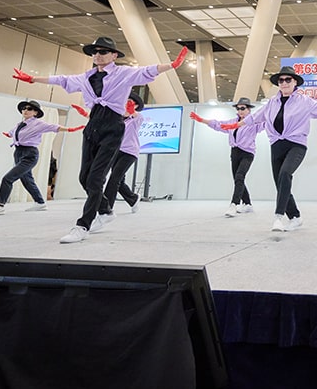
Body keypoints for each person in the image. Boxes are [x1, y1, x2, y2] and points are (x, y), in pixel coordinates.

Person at [12, 36, 187, 243]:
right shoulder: (86, 77)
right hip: (92, 126)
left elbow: (147, 71)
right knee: (84, 178)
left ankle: (82, 225)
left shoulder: (123, 73)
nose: (98, 55)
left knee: (96, 179)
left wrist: (171, 65)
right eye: (94, 52)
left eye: (103, 52)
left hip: (112, 128)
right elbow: (62, 80)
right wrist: (33, 79)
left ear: (114, 55)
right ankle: (105, 210)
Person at [223, 66, 317, 232]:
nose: (284, 83)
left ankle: (278, 217)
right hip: (276, 145)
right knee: (280, 183)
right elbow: (255, 117)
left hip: (296, 144)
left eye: (288, 79)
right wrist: (236, 125)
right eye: (281, 80)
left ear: (295, 82)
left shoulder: (304, 101)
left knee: (285, 174)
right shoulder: (272, 102)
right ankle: (295, 217)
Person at [0, 100, 84, 216]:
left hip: (29, 154)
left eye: (29, 109)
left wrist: (71, 129)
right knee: (27, 180)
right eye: (24, 108)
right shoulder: (20, 124)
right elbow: (13, 132)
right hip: (18, 152)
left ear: (35, 113)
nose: (25, 110)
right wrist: (8, 134)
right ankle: (40, 203)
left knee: (8, 178)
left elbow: (53, 127)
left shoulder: (38, 124)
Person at [190, 97, 265, 217]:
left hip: (247, 153)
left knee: (240, 176)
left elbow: (267, 123)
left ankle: (234, 204)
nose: (240, 111)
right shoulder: (233, 122)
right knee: (237, 179)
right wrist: (201, 120)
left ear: (249, 109)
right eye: (238, 108)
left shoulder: (254, 123)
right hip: (235, 152)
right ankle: (247, 204)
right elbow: (218, 124)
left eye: (243, 108)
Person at [97, 93, 145, 219]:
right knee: (119, 180)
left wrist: (132, 111)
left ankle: (106, 209)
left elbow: (138, 117)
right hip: (116, 151)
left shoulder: (136, 119)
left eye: (130, 102)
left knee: (114, 178)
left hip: (130, 152)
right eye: (126, 101)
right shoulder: (117, 118)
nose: (127, 103)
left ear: (136, 106)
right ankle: (133, 199)